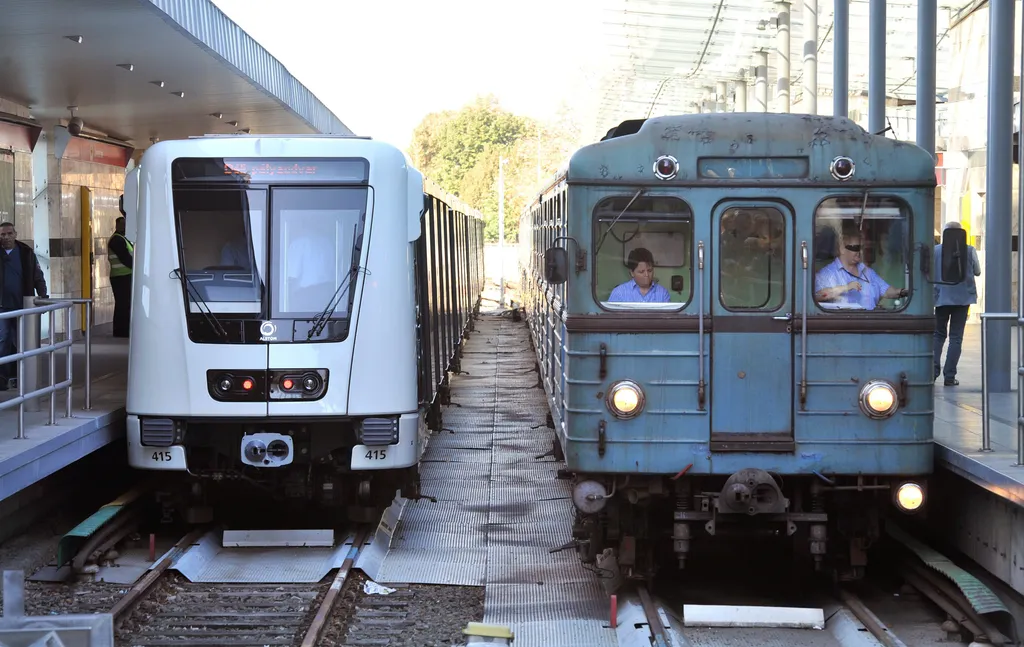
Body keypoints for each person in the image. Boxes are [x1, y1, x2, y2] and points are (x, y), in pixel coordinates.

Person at [0, 222, 48, 391]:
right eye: (2, 234)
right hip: (2, 307)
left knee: (21, 342)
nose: (5, 237)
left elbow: (37, 276)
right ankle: (3, 376)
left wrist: (43, 296)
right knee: (3, 340)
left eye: (8, 233)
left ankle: (21, 376)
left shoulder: (26, 254)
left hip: (22, 305)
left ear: (15, 234)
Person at [933, 220, 981, 386]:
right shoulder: (969, 250)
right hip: (962, 300)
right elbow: (977, 271)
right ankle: (950, 377)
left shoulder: (936, 251)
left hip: (941, 298)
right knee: (956, 338)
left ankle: (932, 372)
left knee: (938, 335)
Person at [814, 230, 907, 310]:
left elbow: (886, 291)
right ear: (842, 249)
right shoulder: (828, 273)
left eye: (862, 248)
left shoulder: (867, 272)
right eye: (856, 248)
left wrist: (904, 292)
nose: (860, 252)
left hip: (872, 324)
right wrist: (845, 288)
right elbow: (817, 296)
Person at [107, 216, 133, 338]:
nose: (124, 227)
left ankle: (123, 330)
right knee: (123, 305)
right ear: (117, 225)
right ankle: (121, 331)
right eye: (122, 224)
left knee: (124, 304)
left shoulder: (123, 239)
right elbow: (126, 258)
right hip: (121, 276)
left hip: (123, 276)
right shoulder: (117, 240)